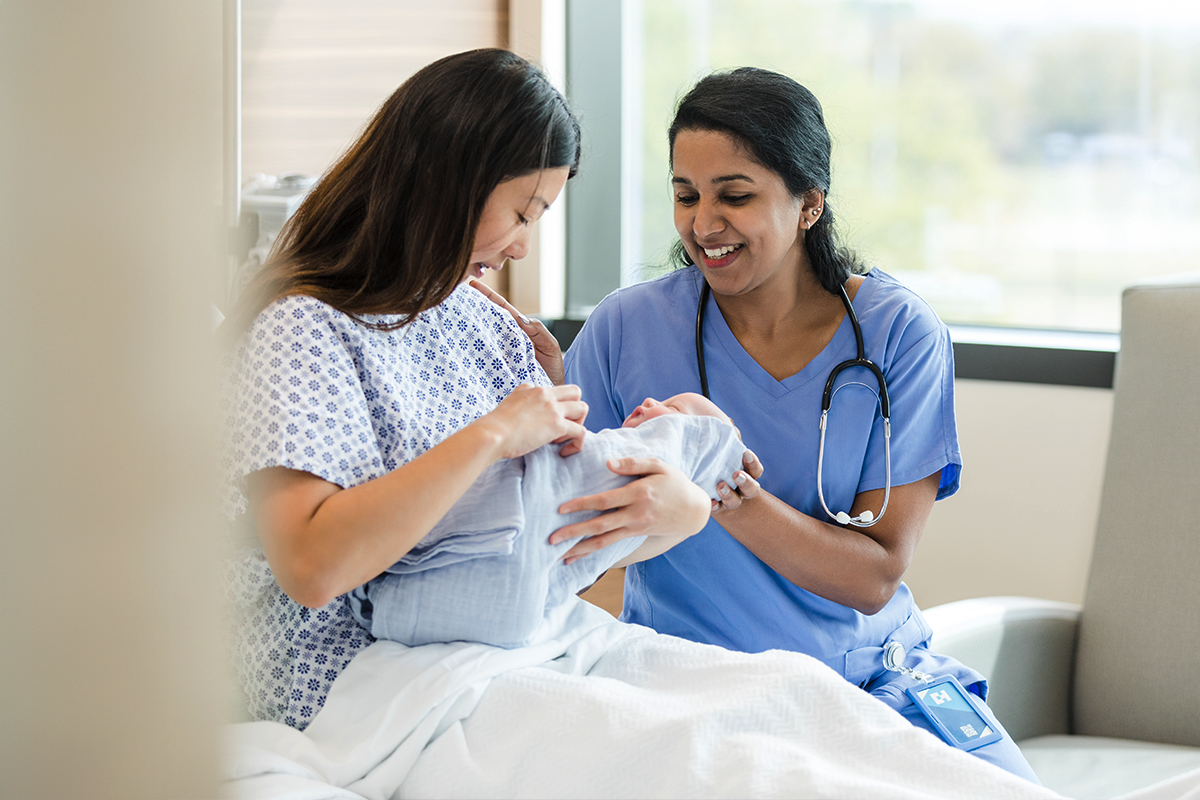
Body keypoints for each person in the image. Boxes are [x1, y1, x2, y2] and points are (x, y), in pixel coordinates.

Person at [557, 67, 1041, 782]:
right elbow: (569, 530)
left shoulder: (896, 333)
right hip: (696, 684)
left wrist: (718, 478)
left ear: (810, 202)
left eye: (736, 195)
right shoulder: (629, 327)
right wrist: (531, 405)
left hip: (871, 679)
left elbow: (875, 575)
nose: (702, 223)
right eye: (685, 195)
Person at [221, 48, 722, 731]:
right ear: (447, 181)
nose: (521, 248)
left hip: (493, 658)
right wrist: (492, 436)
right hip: (355, 683)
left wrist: (679, 509)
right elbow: (313, 566)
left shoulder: (486, 325)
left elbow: (546, 555)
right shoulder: (303, 333)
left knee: (746, 716)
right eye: (523, 212)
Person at [348, 393, 754, 649]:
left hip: (507, 600)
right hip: (386, 594)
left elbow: (595, 552)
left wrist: (695, 510)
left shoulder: (668, 455)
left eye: (675, 410)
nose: (651, 403)